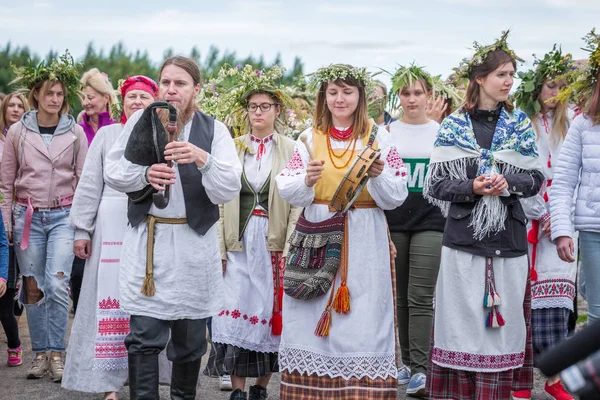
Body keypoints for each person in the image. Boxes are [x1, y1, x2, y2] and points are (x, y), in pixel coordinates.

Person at [104, 56, 242, 399]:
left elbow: (229, 187)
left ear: (196, 89)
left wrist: (201, 157)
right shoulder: (141, 119)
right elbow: (114, 169)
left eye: (180, 84)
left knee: (190, 343)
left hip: (193, 251)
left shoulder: (214, 130)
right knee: (143, 339)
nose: (171, 90)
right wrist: (144, 175)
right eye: (166, 82)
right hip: (149, 246)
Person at [275, 64, 409, 399]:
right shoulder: (308, 138)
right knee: (311, 312)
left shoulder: (380, 139)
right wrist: (306, 180)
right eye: (333, 92)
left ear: (360, 97)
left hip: (365, 239)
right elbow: (287, 187)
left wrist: (378, 175)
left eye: (347, 92)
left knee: (364, 316)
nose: (339, 99)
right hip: (318, 235)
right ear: (324, 96)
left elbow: (397, 195)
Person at [423, 32, 544, 399]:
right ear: (480, 79)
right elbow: (437, 184)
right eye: (502, 75)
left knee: (501, 332)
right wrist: (472, 187)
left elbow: (536, 178)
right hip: (463, 239)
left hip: (508, 238)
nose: (509, 82)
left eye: (512, 75)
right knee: (460, 326)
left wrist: (506, 182)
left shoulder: (520, 124)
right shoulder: (453, 126)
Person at [205, 65, 301, 400]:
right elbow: (218, 201)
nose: (258, 112)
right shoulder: (232, 147)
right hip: (238, 241)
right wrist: (218, 247)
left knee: (266, 308)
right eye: (253, 106)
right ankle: (237, 389)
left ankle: (261, 387)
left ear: (278, 110)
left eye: (265, 106)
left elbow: (296, 204)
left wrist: (290, 246)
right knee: (233, 307)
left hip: (272, 242)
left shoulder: (292, 148)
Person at [62, 76, 158, 400]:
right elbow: (89, 184)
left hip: (148, 227)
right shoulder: (106, 135)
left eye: (144, 97)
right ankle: (107, 385)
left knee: (143, 300)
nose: (137, 102)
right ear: (122, 102)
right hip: (109, 225)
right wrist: (81, 230)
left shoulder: (161, 137)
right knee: (108, 300)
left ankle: (142, 377)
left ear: (154, 103)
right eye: (132, 97)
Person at [1, 51, 87, 381]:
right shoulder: (17, 133)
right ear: (36, 93)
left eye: (59, 93)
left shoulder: (75, 133)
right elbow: (6, 181)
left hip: (64, 214)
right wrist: (8, 223)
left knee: (57, 281)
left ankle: (57, 352)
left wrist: (83, 225)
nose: (54, 98)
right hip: (27, 217)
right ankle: (39, 353)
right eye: (48, 92)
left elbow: (84, 181)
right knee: (33, 286)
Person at [514, 46, 577, 400]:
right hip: (529, 216)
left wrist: (560, 217)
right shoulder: (523, 123)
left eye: (561, 86)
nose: (555, 93)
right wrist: (541, 211)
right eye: (550, 86)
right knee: (520, 300)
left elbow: (574, 174)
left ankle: (553, 378)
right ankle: (521, 379)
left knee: (558, 303)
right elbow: (523, 172)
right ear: (536, 88)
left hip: (562, 219)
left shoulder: (575, 122)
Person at [385, 64, 444, 397]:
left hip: (431, 221)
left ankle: (421, 369)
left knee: (421, 296)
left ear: (429, 96)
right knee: (400, 298)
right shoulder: (387, 133)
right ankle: (404, 363)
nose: (411, 99)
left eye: (418, 92)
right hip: (393, 222)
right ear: (399, 97)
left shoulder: (440, 132)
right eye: (405, 93)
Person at [551, 30, 600, 329]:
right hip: (595, 232)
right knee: (597, 319)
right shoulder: (584, 124)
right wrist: (562, 230)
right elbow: (564, 182)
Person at [70, 68, 118, 315]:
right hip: (83, 202)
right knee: (79, 271)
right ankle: (83, 312)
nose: (87, 102)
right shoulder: (78, 128)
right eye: (84, 97)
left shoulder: (117, 128)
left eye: (92, 96)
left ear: (106, 97)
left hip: (111, 207)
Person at [0, 91, 29, 367]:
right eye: (12, 105)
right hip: (3, 204)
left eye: (21, 105)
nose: (16, 109)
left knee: (11, 272)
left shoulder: (25, 137)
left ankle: (16, 297)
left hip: (21, 208)